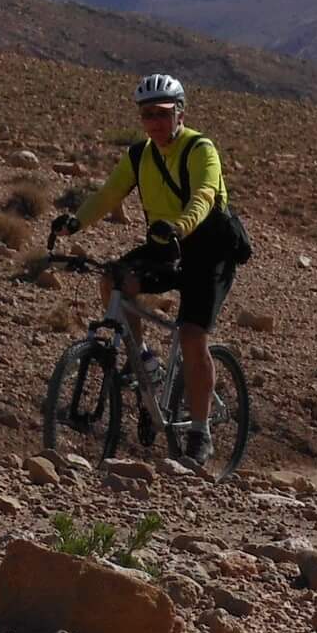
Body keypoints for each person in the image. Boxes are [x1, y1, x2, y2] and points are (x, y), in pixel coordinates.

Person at [49, 73, 241, 463]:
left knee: (191, 335)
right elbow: (108, 193)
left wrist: (180, 225)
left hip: (210, 251)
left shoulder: (200, 149)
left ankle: (201, 432)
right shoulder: (140, 155)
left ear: (180, 113)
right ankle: (147, 366)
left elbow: (204, 195)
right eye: (146, 114)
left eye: (162, 113)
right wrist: (75, 223)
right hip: (165, 244)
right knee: (114, 279)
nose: (154, 121)